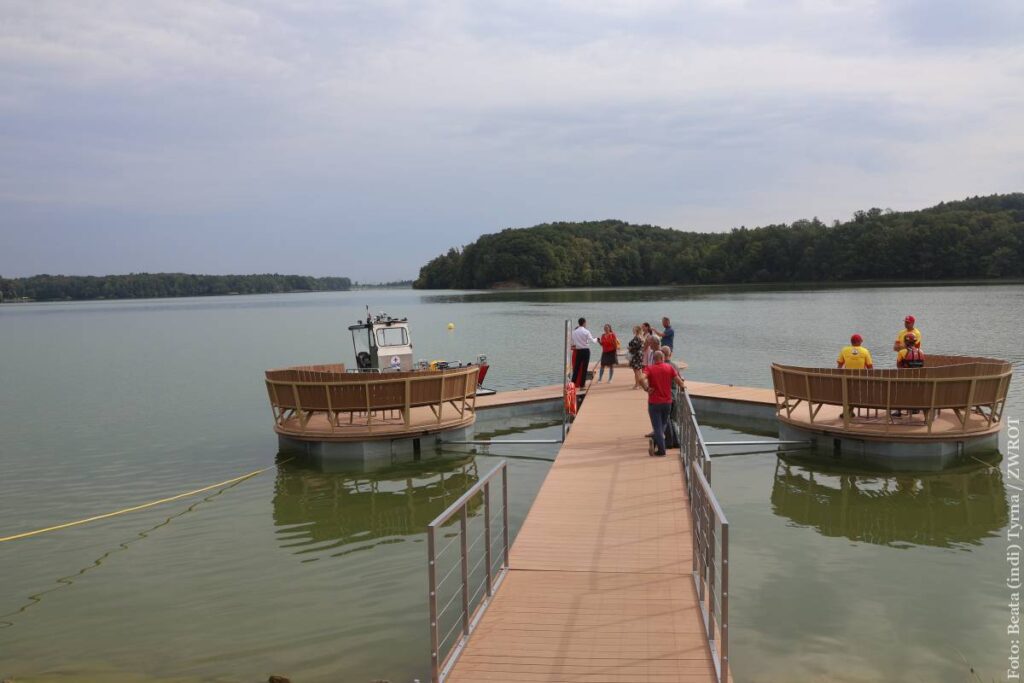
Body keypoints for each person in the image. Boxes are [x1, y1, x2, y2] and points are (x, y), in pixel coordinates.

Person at [641, 350, 685, 456]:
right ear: (663, 358)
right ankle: (657, 442)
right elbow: (678, 380)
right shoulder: (669, 368)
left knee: (657, 427)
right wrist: (683, 388)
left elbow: (640, 378)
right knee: (663, 424)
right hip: (667, 402)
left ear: (653, 359)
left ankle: (661, 450)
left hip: (654, 402)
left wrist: (646, 388)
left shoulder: (650, 369)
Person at [570, 317, 598, 389]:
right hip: (585, 351)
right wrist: (597, 339)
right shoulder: (586, 331)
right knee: (584, 368)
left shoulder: (574, 332)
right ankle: (582, 385)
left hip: (578, 351)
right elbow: (593, 341)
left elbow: (572, 343)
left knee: (576, 368)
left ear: (579, 323)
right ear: (584, 323)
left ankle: (572, 384)